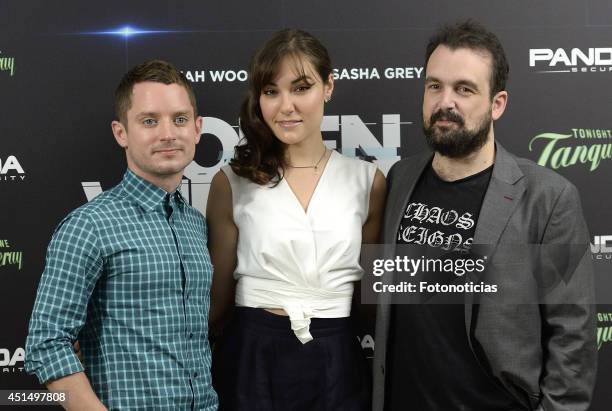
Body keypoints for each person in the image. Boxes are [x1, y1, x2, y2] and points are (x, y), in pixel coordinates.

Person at [373, 21, 597, 411]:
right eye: (434, 86)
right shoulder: (399, 178)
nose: (445, 102)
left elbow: (574, 335)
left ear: (498, 103)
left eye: (464, 89)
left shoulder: (551, 198)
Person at [206, 28, 386, 411]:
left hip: (337, 356)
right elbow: (215, 307)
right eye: (271, 91)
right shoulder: (232, 180)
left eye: (301, 87)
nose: (285, 106)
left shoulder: (367, 181)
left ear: (328, 87)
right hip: (251, 355)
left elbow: (372, 305)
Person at [25, 60, 218, 411]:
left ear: (197, 128)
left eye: (179, 119)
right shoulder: (89, 226)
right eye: (149, 121)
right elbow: (46, 344)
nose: (167, 134)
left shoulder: (194, 224)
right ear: (121, 133)